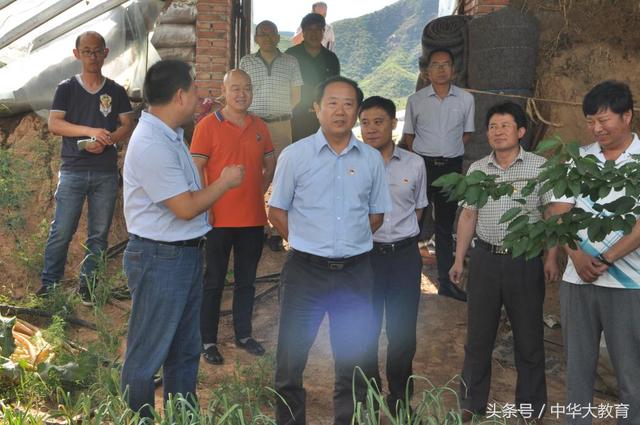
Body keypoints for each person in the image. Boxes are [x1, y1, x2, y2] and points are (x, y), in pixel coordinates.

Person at [120, 59, 244, 417]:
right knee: (147, 354)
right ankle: (136, 418)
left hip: (182, 255)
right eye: (193, 89)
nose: (198, 96)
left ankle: (182, 417)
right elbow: (186, 207)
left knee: (185, 351)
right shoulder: (151, 144)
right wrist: (225, 182)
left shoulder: (171, 135)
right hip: (161, 259)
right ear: (179, 95)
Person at [268, 76, 391, 425]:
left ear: (357, 111)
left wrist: (346, 242)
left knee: (352, 363)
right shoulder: (295, 156)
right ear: (316, 108)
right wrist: (310, 241)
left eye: (349, 104)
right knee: (290, 362)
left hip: (355, 273)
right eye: (332, 102)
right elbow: (276, 212)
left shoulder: (370, 160)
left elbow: (376, 215)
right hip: (305, 273)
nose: (340, 111)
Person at [449, 102, 557, 422]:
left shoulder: (540, 167)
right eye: (492, 126)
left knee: (529, 341)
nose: (497, 132)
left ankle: (530, 409)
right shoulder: (478, 169)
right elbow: (469, 215)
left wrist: (551, 256)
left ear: (521, 132)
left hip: (525, 261)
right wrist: (459, 259)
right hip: (484, 260)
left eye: (505, 125)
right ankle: (471, 406)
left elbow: (551, 217)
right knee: (478, 340)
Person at [548, 80, 640, 425]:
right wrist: (575, 255)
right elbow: (558, 212)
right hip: (577, 280)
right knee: (578, 373)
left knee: (631, 375)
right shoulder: (578, 160)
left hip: (629, 285)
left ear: (627, 115)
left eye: (604, 120)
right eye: (590, 121)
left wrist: (605, 259)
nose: (596, 129)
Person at [38, 31, 134, 303]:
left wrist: (108, 139)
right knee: (62, 231)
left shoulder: (115, 90)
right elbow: (54, 124)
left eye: (97, 51)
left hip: (104, 172)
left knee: (99, 235)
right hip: (73, 170)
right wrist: (90, 131)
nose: (92, 56)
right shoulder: (66, 88)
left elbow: (127, 124)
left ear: (106, 53)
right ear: (77, 54)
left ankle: (88, 287)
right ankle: (50, 285)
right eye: (87, 51)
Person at [190, 69, 276, 366]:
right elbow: (196, 167)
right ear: (223, 92)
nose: (242, 93)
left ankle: (244, 335)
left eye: (247, 88)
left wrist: (260, 189)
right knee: (213, 282)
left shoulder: (260, 126)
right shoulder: (206, 126)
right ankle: (208, 341)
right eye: (235, 88)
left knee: (246, 282)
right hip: (217, 219)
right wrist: (206, 202)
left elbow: (270, 159)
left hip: (252, 218)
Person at [359, 96, 427, 412]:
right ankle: (370, 401)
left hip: (403, 257)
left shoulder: (414, 164)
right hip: (365, 257)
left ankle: (399, 400)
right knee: (366, 331)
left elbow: (419, 209)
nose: (371, 129)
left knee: (402, 334)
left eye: (378, 121)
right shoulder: (352, 163)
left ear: (393, 124)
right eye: (365, 122)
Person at [402, 48, 475, 302]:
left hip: (451, 168)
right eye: (436, 64)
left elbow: (466, 134)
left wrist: (447, 152)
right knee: (414, 224)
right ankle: (409, 282)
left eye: (446, 64)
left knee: (445, 227)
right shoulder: (416, 100)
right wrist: (425, 157)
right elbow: (409, 137)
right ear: (427, 71)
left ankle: (446, 283)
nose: (442, 69)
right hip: (422, 166)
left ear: (453, 70)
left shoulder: (466, 100)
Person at [239, 20, 303, 251]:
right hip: (252, 124)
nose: (266, 37)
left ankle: (277, 230)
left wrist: (280, 112)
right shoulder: (246, 62)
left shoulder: (290, 62)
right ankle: (258, 226)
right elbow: (241, 91)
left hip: (281, 124)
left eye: (271, 33)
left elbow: (296, 95)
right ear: (256, 38)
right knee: (253, 173)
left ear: (277, 37)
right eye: (262, 34)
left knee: (281, 175)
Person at [286, 13, 340, 143]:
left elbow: (335, 89)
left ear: (323, 32)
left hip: (322, 120)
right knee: (297, 157)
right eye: (309, 29)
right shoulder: (290, 55)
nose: (314, 33)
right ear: (303, 32)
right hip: (294, 119)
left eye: (318, 29)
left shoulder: (331, 58)